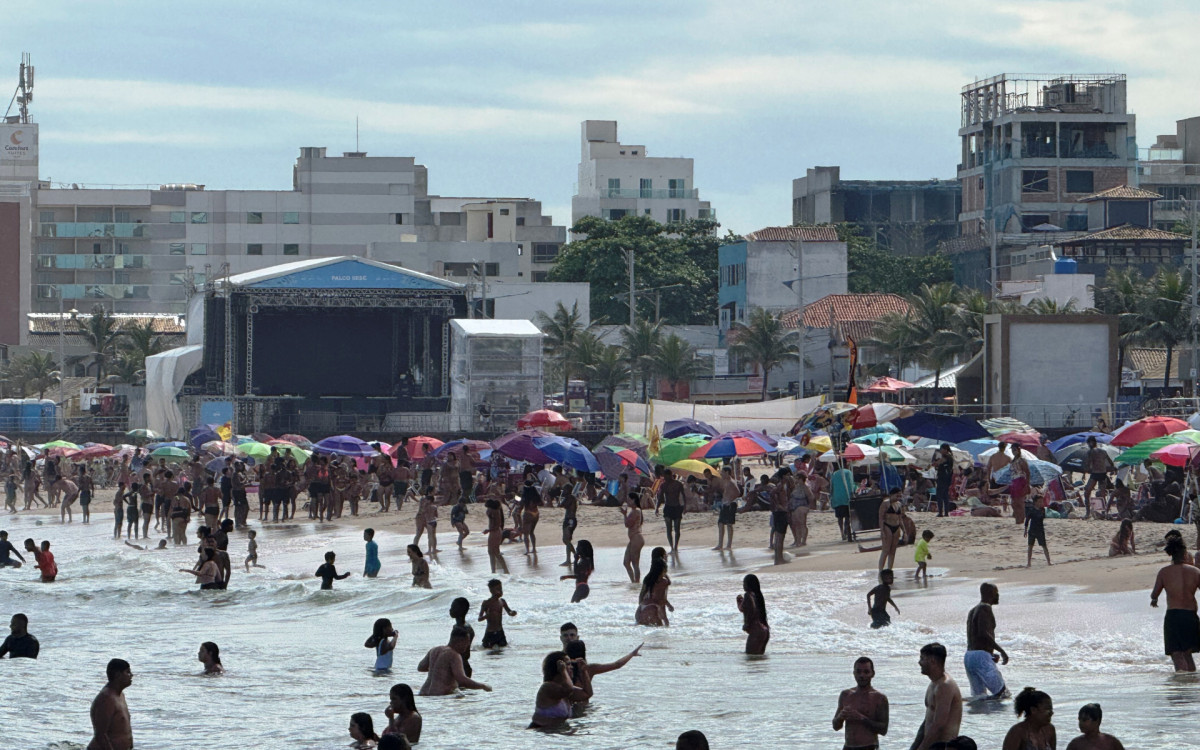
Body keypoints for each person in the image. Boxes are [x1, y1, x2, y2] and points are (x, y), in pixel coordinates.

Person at [1151, 535, 1200, 671]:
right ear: (1184, 553)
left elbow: (1154, 594)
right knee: (1188, 654)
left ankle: (1180, 686)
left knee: (1177, 654)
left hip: (1173, 616)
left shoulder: (1164, 572)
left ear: (1171, 554)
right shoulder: (1195, 572)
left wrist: (1154, 600)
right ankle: (1190, 685)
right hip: (1190, 616)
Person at [562, 639, 641, 710]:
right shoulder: (590, 669)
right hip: (585, 707)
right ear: (583, 652)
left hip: (567, 707)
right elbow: (617, 664)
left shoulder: (564, 669)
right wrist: (632, 654)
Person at [964, 583, 1009, 701]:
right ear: (989, 594)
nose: (998, 596)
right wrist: (1001, 651)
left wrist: (989, 653)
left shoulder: (973, 610)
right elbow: (983, 634)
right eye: (996, 593)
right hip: (980, 658)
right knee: (1003, 695)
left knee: (979, 699)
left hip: (970, 656)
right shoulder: (985, 609)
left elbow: (975, 637)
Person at [913, 643, 963, 750]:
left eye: (922, 658)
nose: (919, 662)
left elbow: (939, 725)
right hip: (931, 745)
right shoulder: (934, 684)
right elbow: (928, 720)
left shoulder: (945, 686)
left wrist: (922, 748)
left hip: (943, 746)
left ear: (932, 661)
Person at [833, 656, 889, 750]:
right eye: (858, 672)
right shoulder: (845, 695)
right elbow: (836, 726)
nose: (862, 675)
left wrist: (861, 718)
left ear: (872, 674)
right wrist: (840, 717)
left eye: (866, 672)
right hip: (848, 746)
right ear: (854, 673)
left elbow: (883, 729)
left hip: (869, 746)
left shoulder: (879, 698)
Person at [417, 625, 491, 695]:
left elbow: (421, 667)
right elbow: (462, 680)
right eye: (467, 642)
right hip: (440, 696)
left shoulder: (434, 650)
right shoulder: (454, 655)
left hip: (423, 693)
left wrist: (439, 669)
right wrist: (483, 686)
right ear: (459, 641)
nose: (468, 645)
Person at [528, 651, 589, 729]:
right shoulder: (547, 687)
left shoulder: (565, 687)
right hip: (541, 731)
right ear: (558, 668)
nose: (572, 667)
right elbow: (568, 690)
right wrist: (563, 672)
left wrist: (584, 671)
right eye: (568, 664)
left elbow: (587, 694)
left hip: (557, 732)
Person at [88, 658, 133, 750]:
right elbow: (100, 735)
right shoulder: (106, 699)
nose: (131, 675)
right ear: (118, 675)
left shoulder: (120, 695)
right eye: (127, 672)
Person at [636, 549, 673, 626]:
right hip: (653, 610)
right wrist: (666, 619)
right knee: (659, 634)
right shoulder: (663, 582)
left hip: (640, 610)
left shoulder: (648, 578)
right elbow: (661, 600)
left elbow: (641, 596)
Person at [1082, 437, 1116, 518]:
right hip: (1103, 474)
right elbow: (1110, 463)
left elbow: (1088, 464)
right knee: (1102, 494)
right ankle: (1104, 512)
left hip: (1095, 474)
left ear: (1091, 443)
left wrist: (1085, 471)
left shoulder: (1090, 452)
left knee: (1087, 492)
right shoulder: (1103, 451)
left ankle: (1087, 512)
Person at [737, 573, 770, 655]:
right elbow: (746, 608)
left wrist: (747, 624)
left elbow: (752, 609)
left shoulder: (748, 595)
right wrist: (740, 602)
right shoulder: (758, 596)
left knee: (750, 656)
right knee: (758, 659)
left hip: (756, 630)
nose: (743, 586)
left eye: (744, 583)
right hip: (765, 630)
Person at [479, 578, 517, 648]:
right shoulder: (486, 603)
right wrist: (486, 616)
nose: (501, 591)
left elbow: (509, 611)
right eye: (498, 589)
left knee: (502, 651)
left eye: (501, 589)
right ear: (491, 590)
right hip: (490, 632)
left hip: (500, 632)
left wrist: (512, 613)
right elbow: (479, 619)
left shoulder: (502, 601)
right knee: (488, 651)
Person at [656, 469, 686, 552]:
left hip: (677, 508)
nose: (664, 478)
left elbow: (683, 496)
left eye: (666, 476)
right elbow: (660, 497)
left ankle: (675, 546)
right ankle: (672, 547)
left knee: (677, 529)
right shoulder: (663, 485)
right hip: (668, 508)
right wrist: (657, 508)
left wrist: (685, 507)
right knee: (669, 529)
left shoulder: (678, 484)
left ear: (670, 475)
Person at [621, 490, 645, 583]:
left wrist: (624, 515)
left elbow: (628, 524)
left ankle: (637, 582)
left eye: (629, 499)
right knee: (626, 562)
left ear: (633, 500)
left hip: (636, 538)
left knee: (635, 563)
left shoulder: (636, 511)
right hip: (633, 539)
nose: (627, 501)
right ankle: (634, 582)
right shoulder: (635, 511)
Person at [879, 488, 905, 570]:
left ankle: (890, 569)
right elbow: (881, 518)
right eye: (897, 495)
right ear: (892, 495)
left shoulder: (899, 504)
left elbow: (900, 519)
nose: (898, 497)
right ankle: (881, 570)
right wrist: (882, 531)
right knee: (886, 550)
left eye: (900, 495)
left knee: (893, 551)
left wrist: (904, 531)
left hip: (896, 527)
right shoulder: (885, 503)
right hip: (887, 526)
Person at [449, 597, 476, 677]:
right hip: (465, 664)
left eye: (453, 607)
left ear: (460, 610)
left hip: (459, 666)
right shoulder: (468, 627)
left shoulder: (459, 629)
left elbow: (451, 649)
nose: (450, 610)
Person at [561, 539, 593, 603]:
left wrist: (575, 561)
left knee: (572, 603)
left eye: (578, 547)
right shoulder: (585, 561)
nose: (576, 549)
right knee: (574, 604)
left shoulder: (584, 562)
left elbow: (577, 575)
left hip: (582, 588)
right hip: (583, 588)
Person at [484, 498, 509, 575]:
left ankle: (504, 570)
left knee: (495, 552)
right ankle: (494, 571)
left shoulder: (494, 512)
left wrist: (488, 530)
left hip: (495, 532)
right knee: (492, 552)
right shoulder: (495, 511)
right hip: (495, 532)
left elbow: (497, 524)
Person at [831, 463, 855, 540]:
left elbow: (832, 486)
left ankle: (842, 533)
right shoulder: (848, 472)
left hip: (837, 498)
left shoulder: (834, 474)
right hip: (846, 497)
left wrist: (831, 496)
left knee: (840, 517)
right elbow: (851, 484)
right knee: (848, 516)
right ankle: (847, 531)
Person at [1026, 501, 1051, 567]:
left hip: (1040, 530)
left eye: (1041, 501)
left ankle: (1049, 562)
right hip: (1032, 530)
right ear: (1036, 502)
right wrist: (1025, 530)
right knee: (1030, 546)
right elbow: (1027, 520)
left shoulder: (1042, 510)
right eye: (1039, 501)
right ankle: (1029, 563)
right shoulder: (1031, 510)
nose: (1041, 503)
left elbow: (1042, 518)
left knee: (1044, 546)